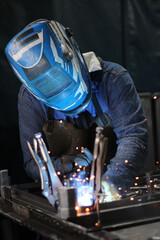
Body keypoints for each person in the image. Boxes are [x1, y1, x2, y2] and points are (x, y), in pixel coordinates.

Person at [5, 19, 148, 201]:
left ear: (72, 53)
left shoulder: (114, 80)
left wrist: (108, 187)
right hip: (66, 195)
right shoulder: (30, 98)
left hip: (118, 191)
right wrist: (65, 165)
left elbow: (133, 137)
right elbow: (33, 162)